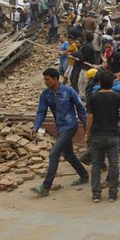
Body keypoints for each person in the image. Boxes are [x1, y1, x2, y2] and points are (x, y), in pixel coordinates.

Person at [30, 68, 90, 197]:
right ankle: (84, 175)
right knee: (68, 154)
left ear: (56, 79)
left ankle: (46, 187)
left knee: (54, 153)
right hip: (60, 127)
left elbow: (81, 109)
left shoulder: (68, 91)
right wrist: (36, 127)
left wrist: (87, 129)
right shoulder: (46, 95)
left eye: (48, 79)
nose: (45, 82)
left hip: (70, 126)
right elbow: (41, 112)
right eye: (44, 79)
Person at [85, 71, 120, 203]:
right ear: (112, 83)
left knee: (96, 165)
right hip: (113, 135)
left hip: (97, 135)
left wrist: (87, 133)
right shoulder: (117, 97)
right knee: (114, 165)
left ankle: (96, 194)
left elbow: (89, 117)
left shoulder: (93, 97)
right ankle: (112, 194)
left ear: (99, 82)